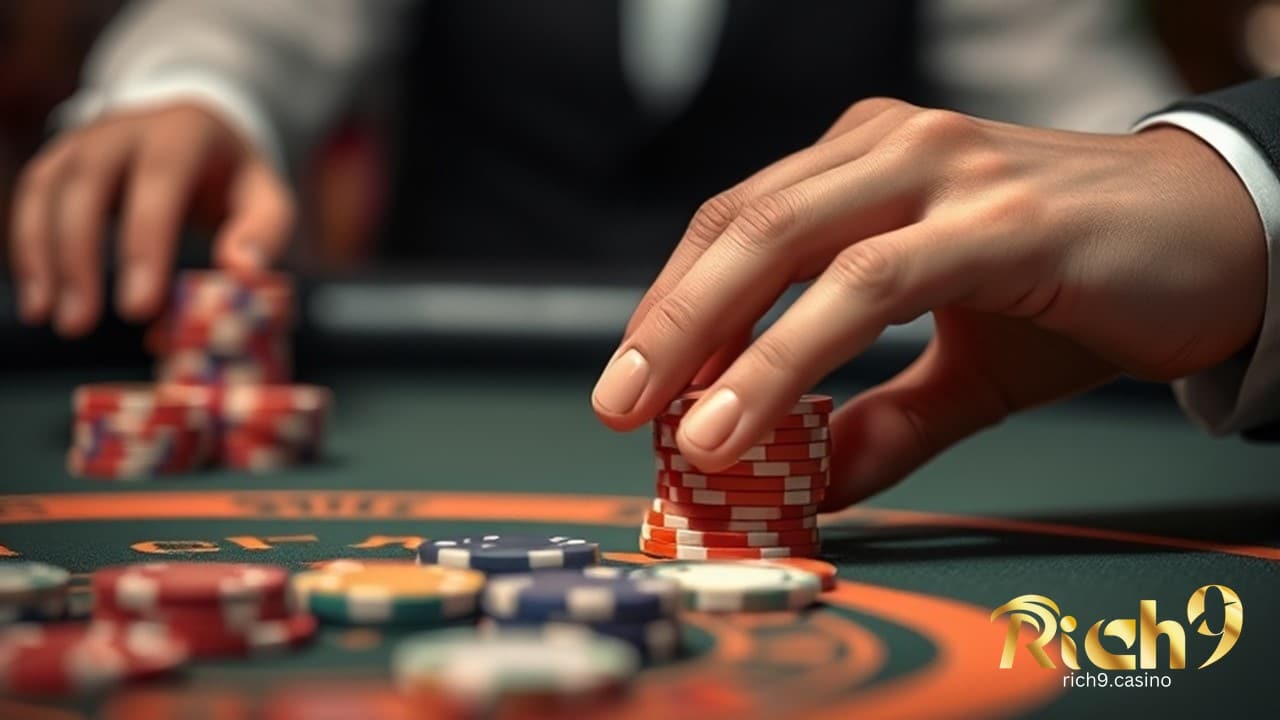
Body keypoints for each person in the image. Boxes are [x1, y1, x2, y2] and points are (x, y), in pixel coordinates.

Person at [7, 1, 1278, 511]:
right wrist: (184, 91)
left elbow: (1075, 129)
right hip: (439, 358)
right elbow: (246, 23)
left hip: (816, 368)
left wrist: (1214, 176)